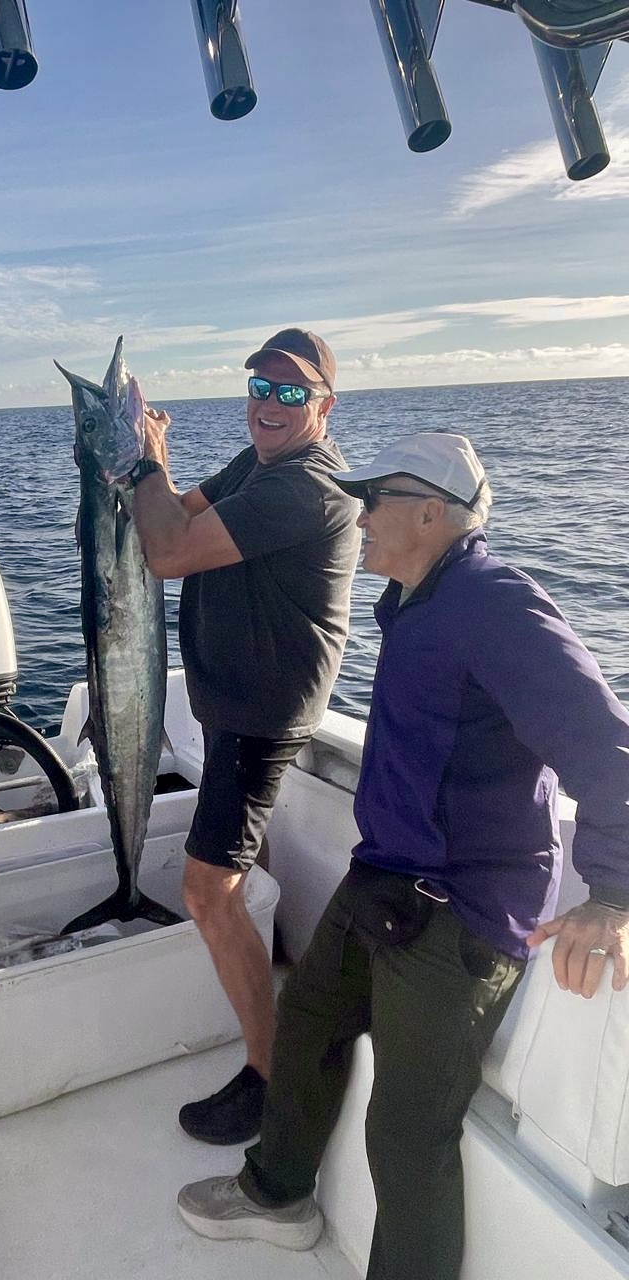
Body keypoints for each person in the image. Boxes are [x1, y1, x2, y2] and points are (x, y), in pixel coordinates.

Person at [176, 431, 629, 1279]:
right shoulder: (418, 601)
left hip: (463, 917)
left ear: (433, 513)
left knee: (408, 1133)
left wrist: (613, 888)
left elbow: (606, 745)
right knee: (306, 1024)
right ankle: (277, 1196)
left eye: (376, 499)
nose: (359, 514)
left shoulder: (498, 604)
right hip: (383, 877)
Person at [132, 328, 361, 1144]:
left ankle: (270, 1078)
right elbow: (178, 511)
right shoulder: (256, 466)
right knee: (237, 866)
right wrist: (147, 462)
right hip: (230, 705)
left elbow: (167, 550)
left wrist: (140, 463)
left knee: (206, 890)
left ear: (323, 407)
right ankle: (269, 1014)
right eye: (260, 387)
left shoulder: (303, 486)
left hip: (256, 719)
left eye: (292, 393)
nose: (270, 403)